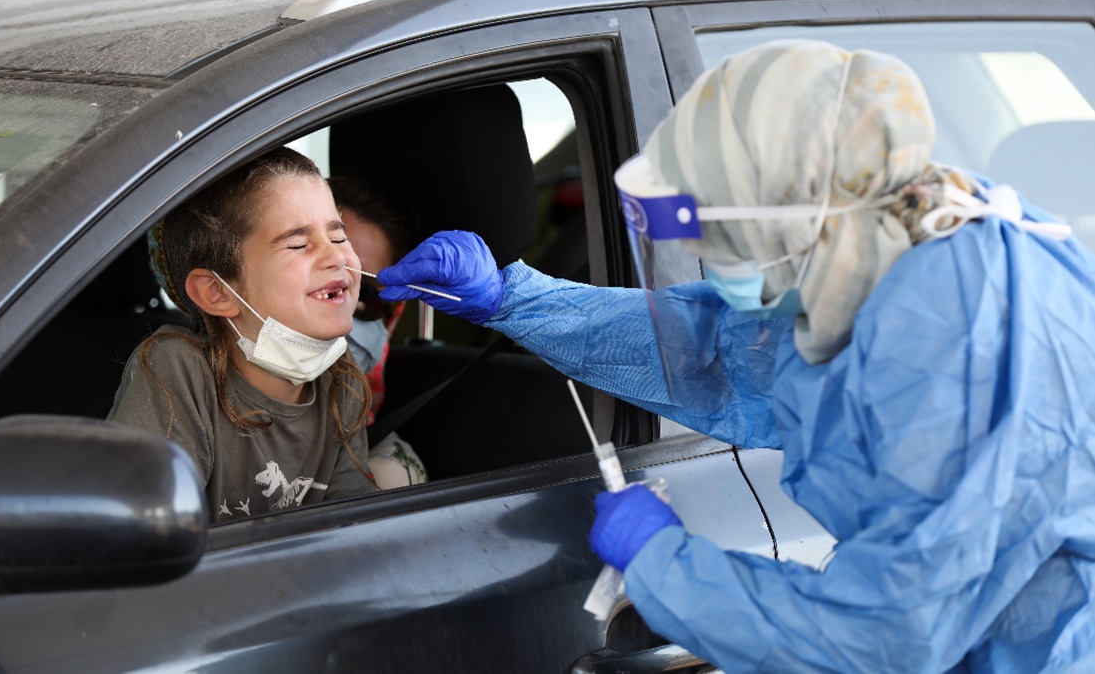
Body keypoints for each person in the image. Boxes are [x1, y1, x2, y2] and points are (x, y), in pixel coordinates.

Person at [373, 39, 1095, 671]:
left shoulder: (959, 344)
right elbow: (716, 354)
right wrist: (511, 298)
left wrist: (666, 567)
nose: (698, 256)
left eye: (718, 231)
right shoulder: (869, 244)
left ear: (796, 204)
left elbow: (884, 637)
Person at [109, 147, 376, 522]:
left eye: (338, 236)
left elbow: (352, 529)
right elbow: (143, 533)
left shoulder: (341, 379)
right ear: (217, 293)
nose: (336, 257)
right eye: (298, 244)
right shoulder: (177, 369)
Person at [328, 174, 427, 488]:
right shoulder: (199, 415)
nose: (337, 320)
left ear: (392, 317)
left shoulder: (386, 473)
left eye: (366, 297)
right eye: (328, 286)